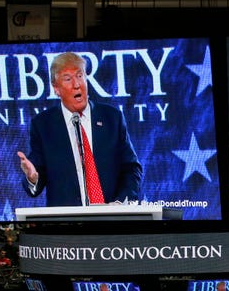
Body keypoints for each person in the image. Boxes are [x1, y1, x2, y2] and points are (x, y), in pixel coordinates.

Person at [17, 51, 143, 207]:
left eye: (80, 76)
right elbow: (37, 175)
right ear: (56, 88)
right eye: (68, 79)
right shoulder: (43, 125)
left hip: (112, 220)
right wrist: (32, 178)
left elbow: (131, 168)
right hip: (68, 225)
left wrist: (120, 203)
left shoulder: (112, 118)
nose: (76, 84)